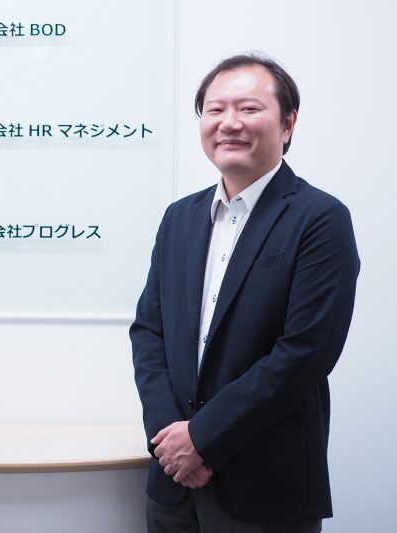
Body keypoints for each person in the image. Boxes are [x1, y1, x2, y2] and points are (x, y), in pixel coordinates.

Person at [130, 53, 359, 532]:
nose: (229, 123)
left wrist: (202, 439)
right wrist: (171, 440)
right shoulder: (179, 218)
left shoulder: (320, 219)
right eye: (215, 110)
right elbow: (149, 332)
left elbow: (304, 353)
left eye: (249, 109)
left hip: (264, 483)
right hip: (173, 484)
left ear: (288, 124)